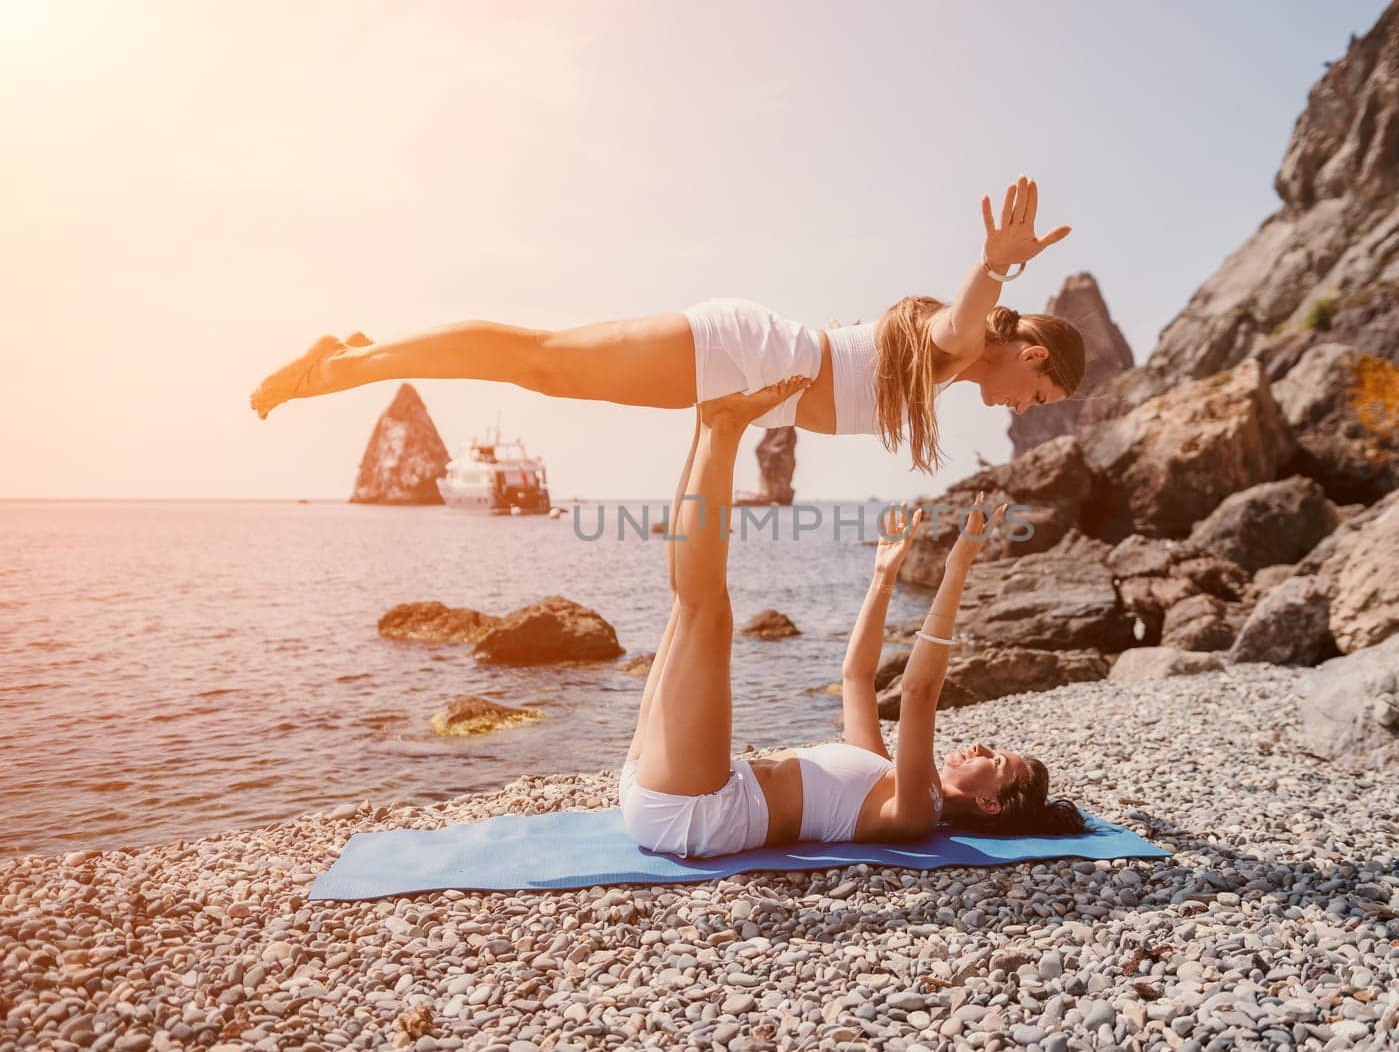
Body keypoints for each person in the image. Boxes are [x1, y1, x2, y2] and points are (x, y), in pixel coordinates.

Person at [249, 175, 1084, 473]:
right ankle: (347, 364)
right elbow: (964, 319)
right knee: (537, 360)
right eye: (1039, 392)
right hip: (736, 355)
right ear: (1033, 352)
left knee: (540, 363)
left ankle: (355, 357)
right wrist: (998, 264)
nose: (1025, 407)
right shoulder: (962, 344)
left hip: (740, 372)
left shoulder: (948, 358)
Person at [618, 375, 1086, 859]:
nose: (983, 746)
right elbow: (857, 676)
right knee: (686, 602)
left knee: (707, 611)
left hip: (695, 811)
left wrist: (958, 567)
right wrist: (883, 578)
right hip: (668, 787)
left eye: (997, 761)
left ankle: (725, 427)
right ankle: (706, 420)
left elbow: (919, 691)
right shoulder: (881, 771)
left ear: (989, 803)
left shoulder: (916, 812)